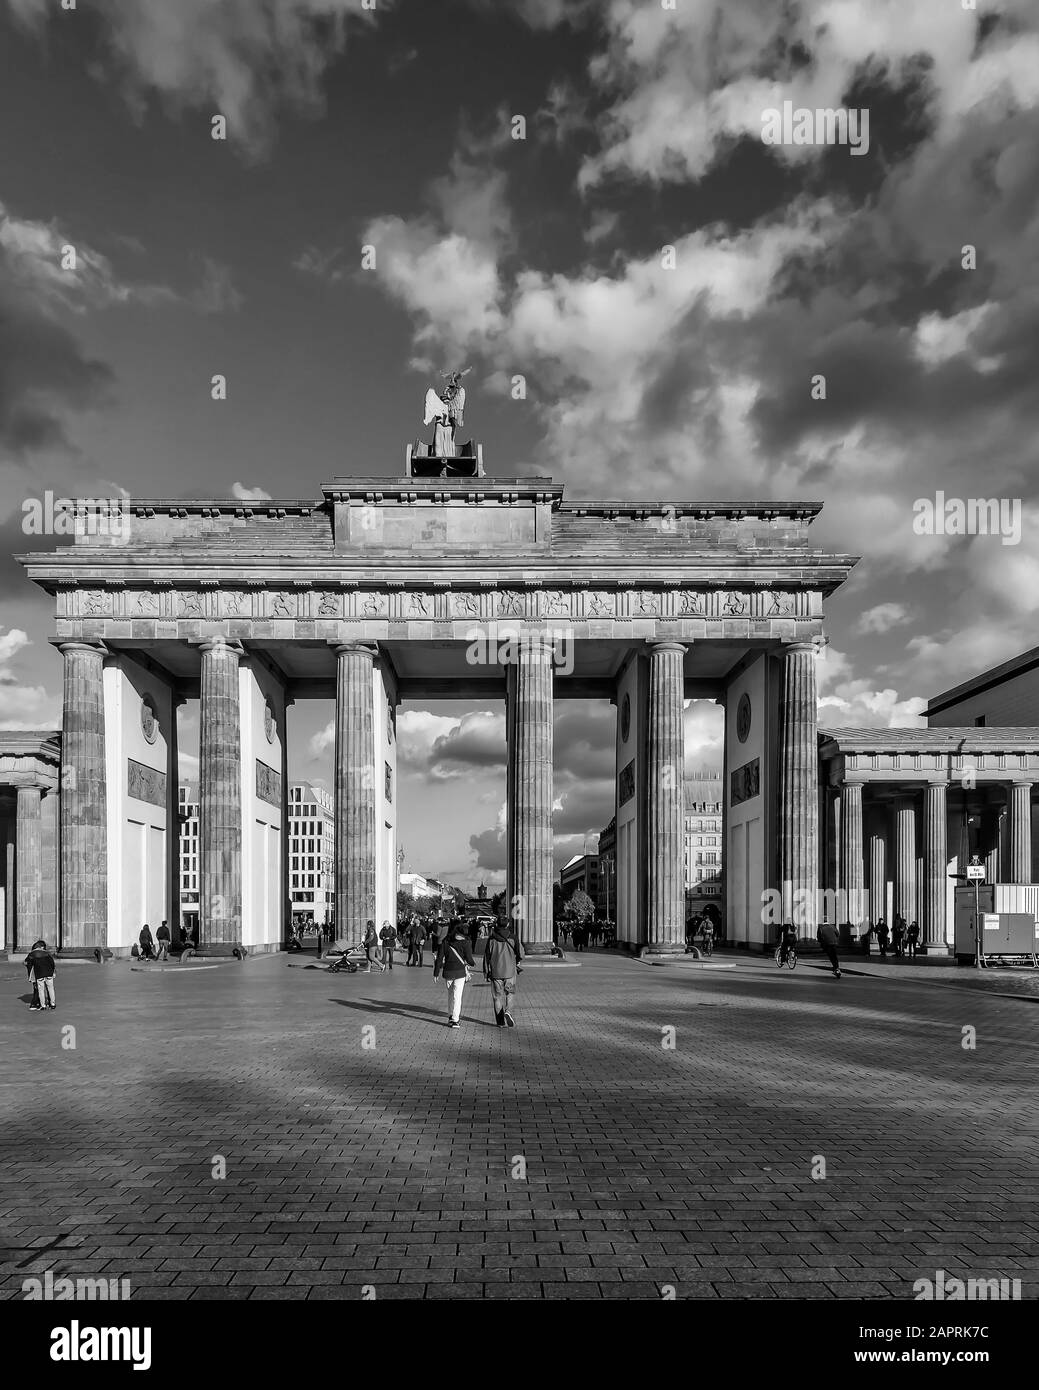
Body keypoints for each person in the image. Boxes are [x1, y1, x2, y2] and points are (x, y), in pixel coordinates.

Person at [434, 919, 476, 1029]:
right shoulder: (466, 943)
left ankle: (450, 1016)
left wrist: (436, 973)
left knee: (450, 995)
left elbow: (439, 958)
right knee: (457, 996)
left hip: (448, 972)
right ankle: (455, 1020)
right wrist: (472, 963)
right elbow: (470, 959)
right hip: (460, 973)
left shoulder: (446, 942)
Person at [483, 919, 523, 1027]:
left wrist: (486, 972)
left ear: (497, 924)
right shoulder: (513, 937)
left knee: (497, 997)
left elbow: (487, 956)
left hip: (496, 972)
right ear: (508, 924)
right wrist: (517, 960)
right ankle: (508, 1012)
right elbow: (520, 953)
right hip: (510, 971)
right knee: (510, 993)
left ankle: (500, 1022)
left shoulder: (492, 939)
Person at [26, 938, 56, 1011]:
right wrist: (53, 971)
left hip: (39, 974)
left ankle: (43, 1005)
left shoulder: (32, 954)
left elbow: (28, 963)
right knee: (51, 989)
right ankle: (52, 1004)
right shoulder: (46, 953)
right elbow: (52, 963)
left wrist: (30, 976)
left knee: (41, 990)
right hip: (49, 973)